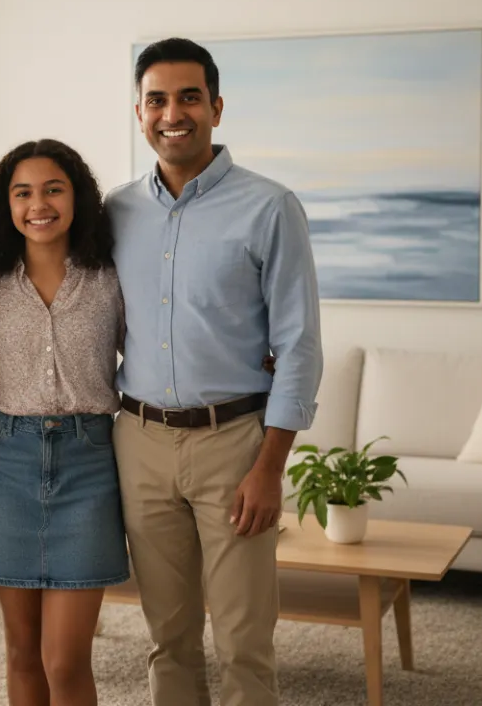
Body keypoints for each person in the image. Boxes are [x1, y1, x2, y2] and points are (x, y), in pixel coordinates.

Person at [105, 37, 324, 706]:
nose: (173, 114)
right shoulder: (114, 212)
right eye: (157, 100)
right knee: (167, 638)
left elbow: (299, 345)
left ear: (217, 108)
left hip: (234, 445)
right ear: (139, 113)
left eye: (189, 98)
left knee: (242, 642)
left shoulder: (270, 207)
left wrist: (270, 467)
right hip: (139, 440)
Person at [0, 138, 130, 706]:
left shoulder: (108, 277)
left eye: (53, 189)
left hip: (89, 463)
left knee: (65, 660)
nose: (39, 204)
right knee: (22, 652)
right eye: (23, 192)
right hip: (6, 461)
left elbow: (153, 345)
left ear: (76, 197)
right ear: (5, 204)